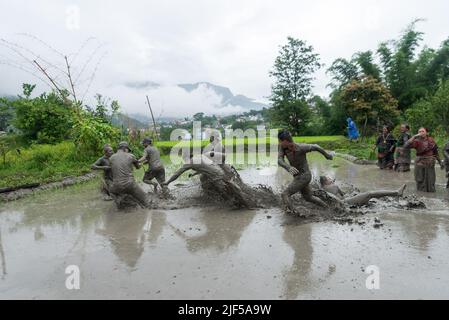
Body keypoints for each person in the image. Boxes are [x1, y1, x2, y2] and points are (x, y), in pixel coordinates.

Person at [162, 153, 253, 208]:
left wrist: (167, 182)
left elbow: (177, 174)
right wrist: (193, 174)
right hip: (221, 172)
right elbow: (205, 168)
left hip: (215, 176)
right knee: (204, 179)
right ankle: (238, 198)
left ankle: (234, 202)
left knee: (224, 191)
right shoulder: (201, 157)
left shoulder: (189, 162)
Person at [277, 130, 333, 214]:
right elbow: (279, 160)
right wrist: (288, 167)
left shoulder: (300, 148)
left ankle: (294, 215)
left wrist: (327, 155)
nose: (279, 143)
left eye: (280, 141)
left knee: (285, 194)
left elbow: (316, 146)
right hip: (298, 177)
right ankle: (328, 208)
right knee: (308, 197)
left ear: (285, 141)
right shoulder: (282, 147)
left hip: (304, 175)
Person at [109, 141, 151, 208]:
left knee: (111, 191)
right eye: (128, 149)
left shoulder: (111, 158)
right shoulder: (131, 156)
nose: (128, 151)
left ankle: (120, 204)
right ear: (125, 148)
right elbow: (137, 167)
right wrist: (140, 164)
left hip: (116, 186)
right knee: (146, 202)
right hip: (130, 184)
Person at [319, 176, 407, 206]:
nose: (331, 179)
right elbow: (342, 195)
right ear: (326, 182)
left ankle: (393, 194)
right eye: (329, 178)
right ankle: (396, 192)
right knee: (370, 193)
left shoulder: (323, 190)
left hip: (343, 202)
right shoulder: (333, 186)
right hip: (345, 203)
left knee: (368, 195)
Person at [404, 127, 444, 193]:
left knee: (431, 179)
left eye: (422, 131)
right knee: (420, 179)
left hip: (430, 163)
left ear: (426, 132)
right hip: (420, 163)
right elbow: (406, 145)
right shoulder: (416, 141)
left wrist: (440, 162)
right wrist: (414, 136)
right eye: (419, 131)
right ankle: (421, 194)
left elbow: (435, 152)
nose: (421, 133)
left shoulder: (431, 140)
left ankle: (430, 195)